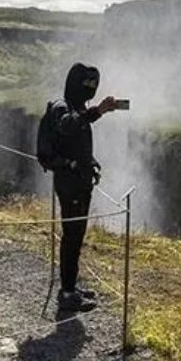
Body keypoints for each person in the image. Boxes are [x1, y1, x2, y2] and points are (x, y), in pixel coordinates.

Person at [39, 63, 119, 312]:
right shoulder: (65, 109)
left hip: (78, 181)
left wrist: (90, 162)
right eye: (87, 85)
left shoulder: (76, 108)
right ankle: (67, 292)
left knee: (75, 236)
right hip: (70, 184)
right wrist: (98, 111)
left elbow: (75, 142)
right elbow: (67, 126)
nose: (91, 90)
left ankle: (70, 286)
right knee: (72, 236)